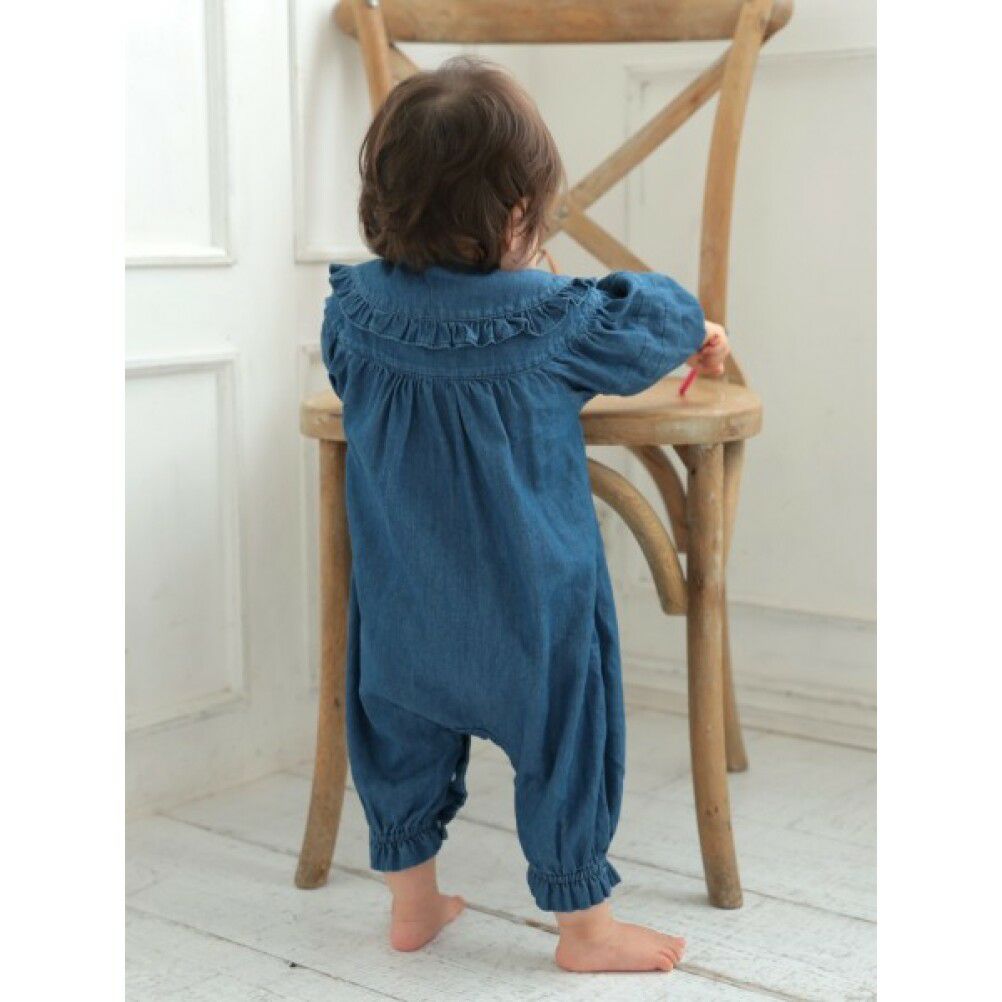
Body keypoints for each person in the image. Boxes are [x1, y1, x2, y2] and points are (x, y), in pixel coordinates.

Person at [321, 57, 729, 973]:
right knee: (567, 744)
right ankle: (586, 930)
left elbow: (354, 389)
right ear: (519, 213)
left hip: (404, 609)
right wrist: (679, 322)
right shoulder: (556, 318)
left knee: (397, 741)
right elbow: (663, 319)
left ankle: (413, 907)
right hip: (535, 619)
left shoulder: (351, 315)